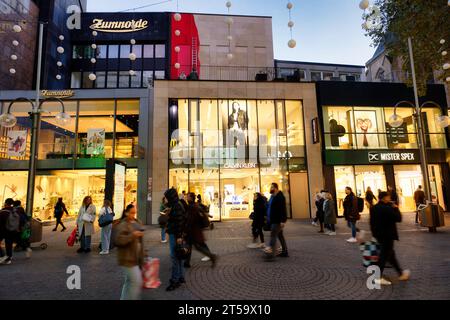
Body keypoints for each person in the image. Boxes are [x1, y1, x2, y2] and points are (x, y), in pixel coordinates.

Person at [370, 192, 410, 286]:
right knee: (384, 256)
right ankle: (377, 277)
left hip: (379, 236)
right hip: (388, 236)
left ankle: (401, 274)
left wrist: (375, 234)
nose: (389, 198)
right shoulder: (387, 208)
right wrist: (396, 208)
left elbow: (371, 223)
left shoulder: (374, 208)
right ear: (384, 198)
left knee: (390, 255)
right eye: (388, 197)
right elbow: (398, 218)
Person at [115, 204, 145, 300]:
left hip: (136, 258)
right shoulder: (122, 224)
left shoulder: (137, 222)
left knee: (129, 282)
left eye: (134, 212)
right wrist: (133, 235)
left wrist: (144, 254)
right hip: (127, 259)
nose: (133, 214)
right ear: (126, 212)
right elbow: (119, 240)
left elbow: (141, 241)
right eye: (131, 212)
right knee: (137, 282)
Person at [184, 192, 218, 268]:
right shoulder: (194, 205)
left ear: (192, 198)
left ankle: (211, 256)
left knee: (196, 246)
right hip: (195, 230)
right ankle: (187, 262)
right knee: (191, 246)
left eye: (188, 197)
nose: (187, 198)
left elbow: (190, 220)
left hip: (193, 231)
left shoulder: (192, 207)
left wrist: (186, 230)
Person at [164, 188, 187, 291]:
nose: (166, 199)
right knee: (179, 256)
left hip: (175, 234)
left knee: (175, 258)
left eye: (167, 197)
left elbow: (179, 222)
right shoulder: (176, 205)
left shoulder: (176, 206)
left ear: (170, 197)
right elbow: (178, 220)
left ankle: (175, 280)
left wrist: (178, 237)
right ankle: (181, 277)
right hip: (177, 234)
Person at [264, 183, 288, 261]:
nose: (270, 189)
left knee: (273, 236)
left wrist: (283, 221)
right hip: (272, 220)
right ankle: (285, 252)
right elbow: (269, 207)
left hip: (277, 221)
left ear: (276, 188)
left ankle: (271, 255)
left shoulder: (280, 197)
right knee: (280, 236)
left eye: (271, 187)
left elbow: (283, 210)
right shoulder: (272, 196)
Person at [0, 198, 17, 264]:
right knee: (9, 244)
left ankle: (3, 255)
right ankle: (9, 258)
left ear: (6, 203)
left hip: (2, 230)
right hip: (12, 230)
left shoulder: (3, 212)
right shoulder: (14, 211)